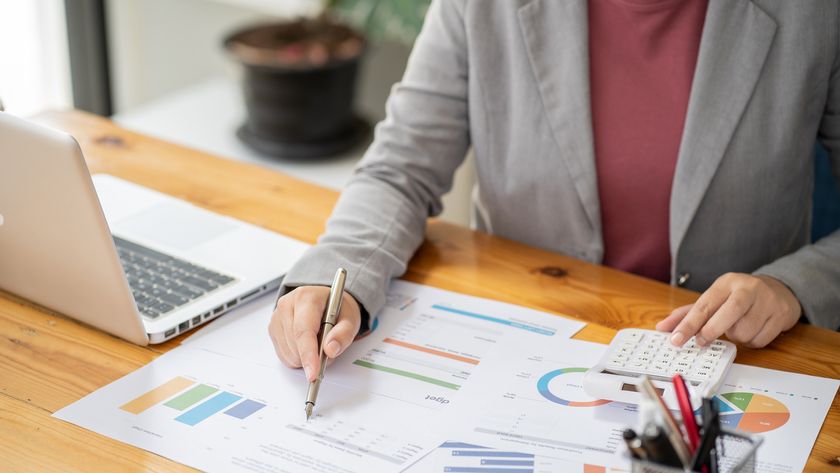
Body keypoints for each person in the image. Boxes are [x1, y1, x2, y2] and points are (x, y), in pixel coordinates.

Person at [268, 0, 840, 382]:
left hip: (736, 365)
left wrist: (791, 287)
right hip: (521, 350)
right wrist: (337, 273)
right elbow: (401, 168)